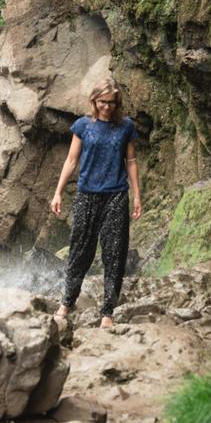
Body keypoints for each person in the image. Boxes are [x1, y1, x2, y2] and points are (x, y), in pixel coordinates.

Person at [51, 77, 142, 330]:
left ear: (117, 103)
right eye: (102, 102)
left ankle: (107, 313)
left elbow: (131, 162)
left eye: (111, 103)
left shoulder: (126, 127)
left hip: (116, 195)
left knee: (114, 254)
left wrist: (137, 196)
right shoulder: (82, 126)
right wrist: (58, 192)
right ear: (94, 101)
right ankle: (66, 304)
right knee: (80, 251)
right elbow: (71, 160)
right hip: (87, 195)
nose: (107, 107)